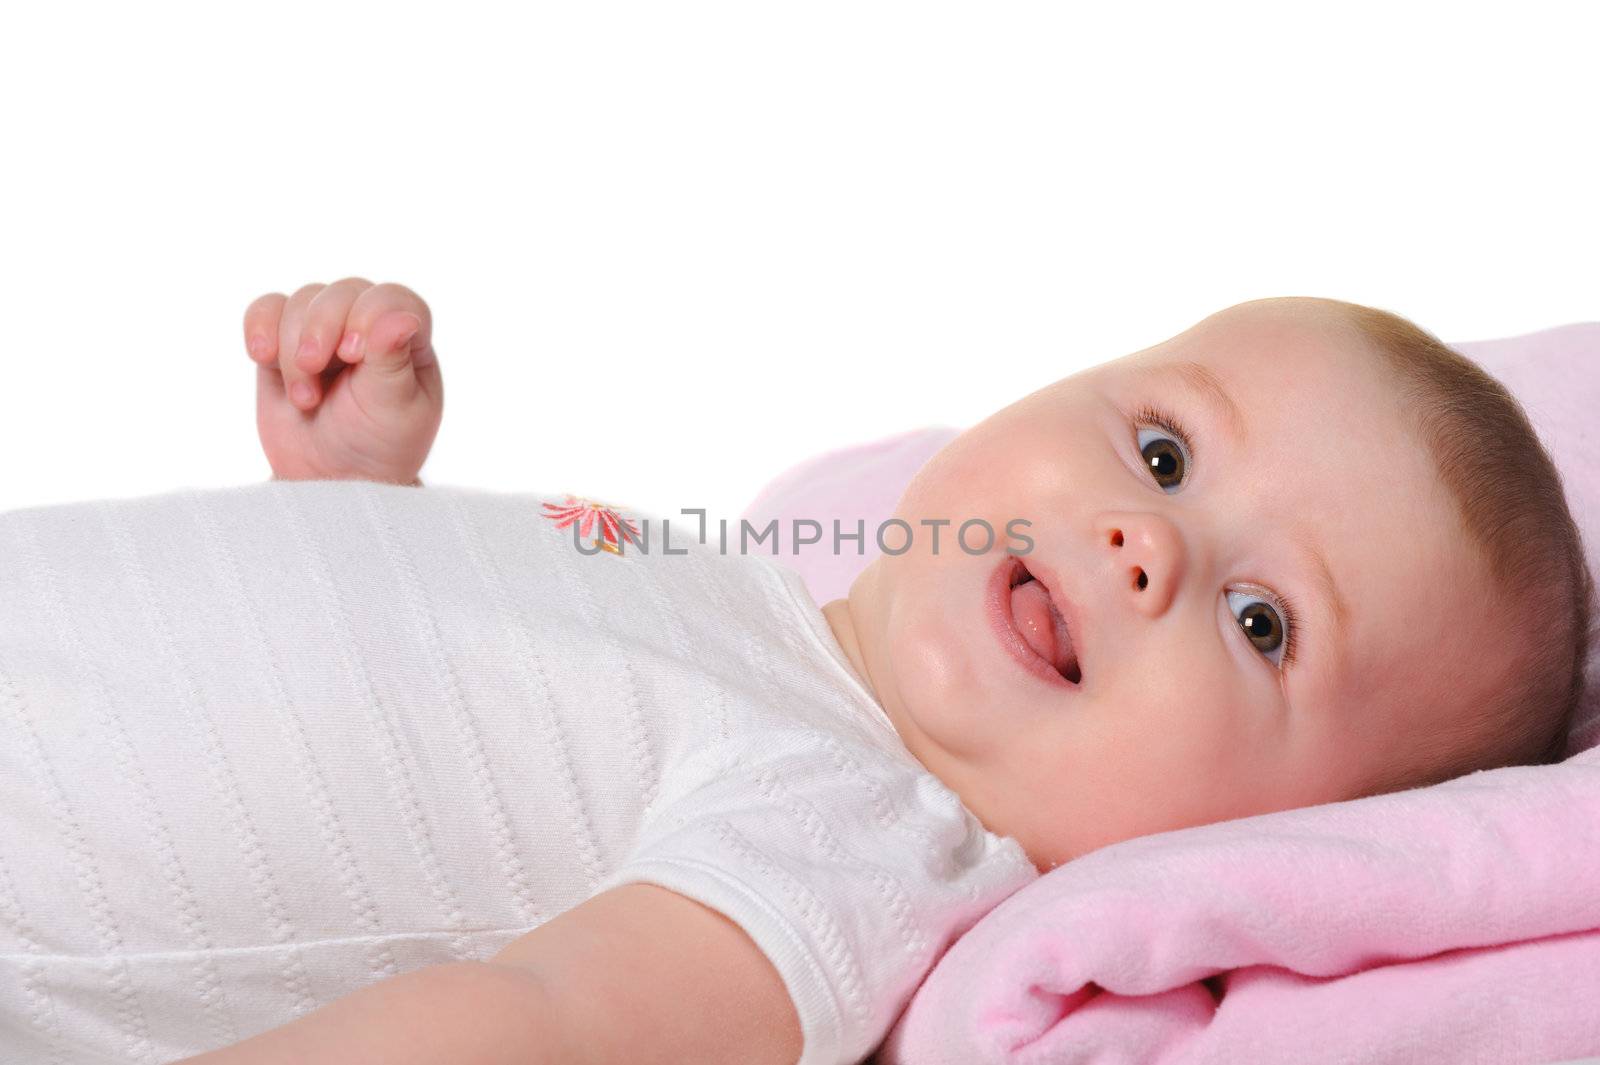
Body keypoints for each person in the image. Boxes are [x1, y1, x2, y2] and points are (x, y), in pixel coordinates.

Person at [3, 280, 1587, 1065]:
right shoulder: (743, 578)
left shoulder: (855, 835)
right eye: (1160, 448)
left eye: (1263, 622)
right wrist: (356, 496)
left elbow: (530, 1024)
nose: (1141, 547)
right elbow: (441, 702)